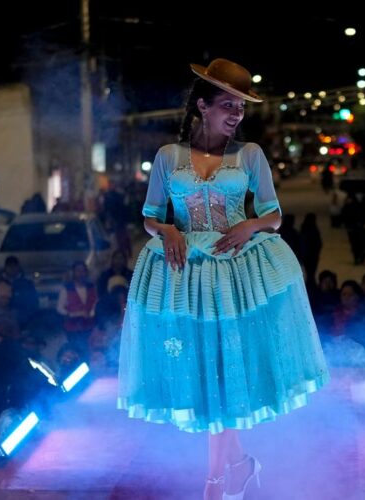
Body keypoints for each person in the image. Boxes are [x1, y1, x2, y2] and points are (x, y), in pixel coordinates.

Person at [117, 58, 329, 500]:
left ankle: (215, 482)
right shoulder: (167, 158)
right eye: (228, 105)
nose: (236, 114)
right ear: (202, 106)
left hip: (237, 275)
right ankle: (237, 465)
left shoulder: (249, 154)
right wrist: (171, 228)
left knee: (226, 373)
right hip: (187, 277)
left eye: (242, 107)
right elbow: (150, 217)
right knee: (208, 374)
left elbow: (273, 215)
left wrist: (250, 224)